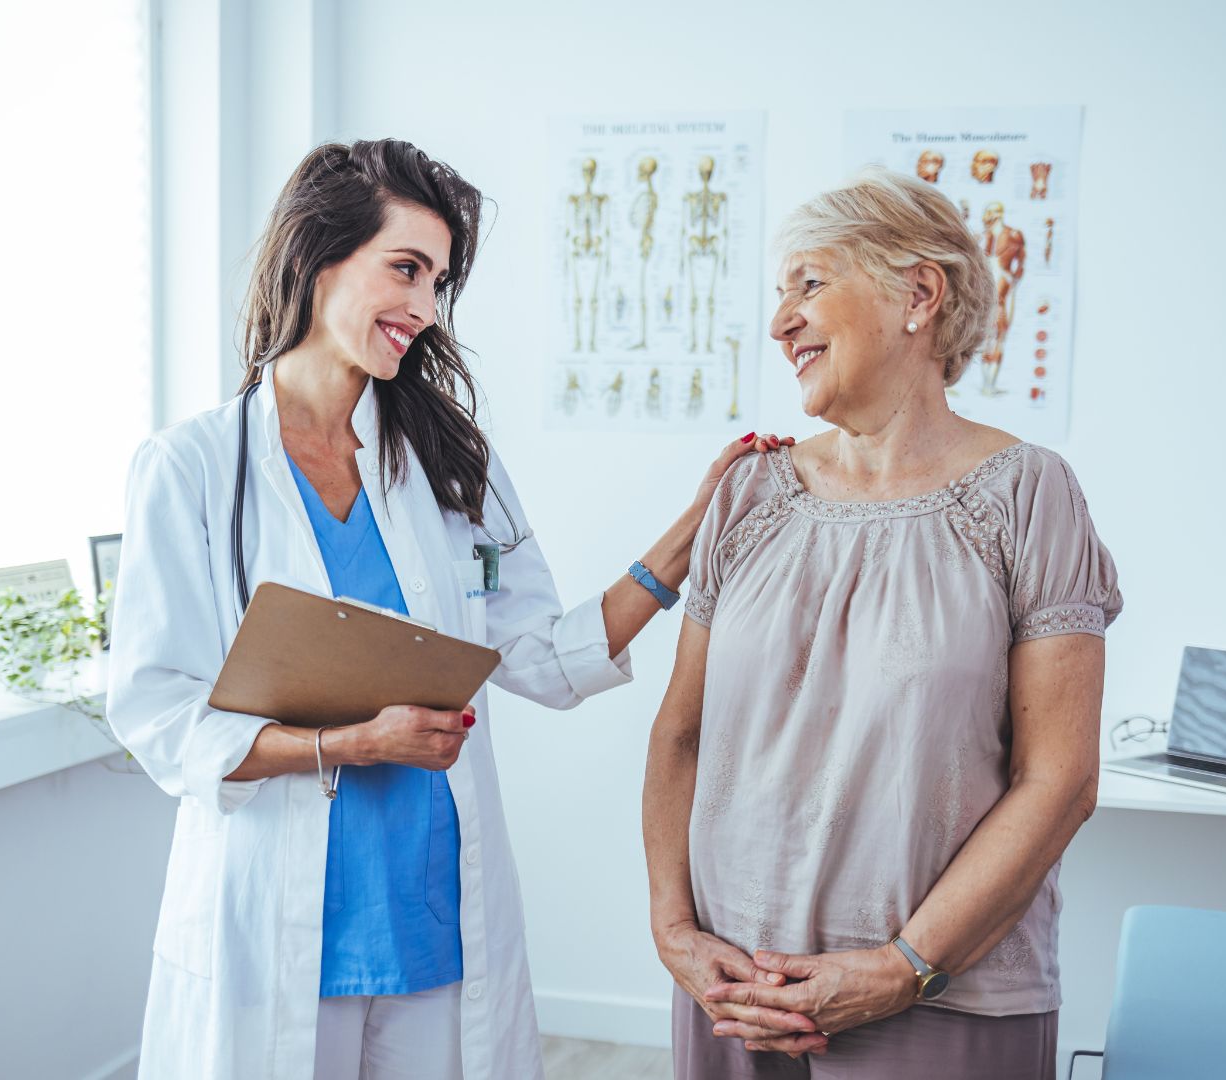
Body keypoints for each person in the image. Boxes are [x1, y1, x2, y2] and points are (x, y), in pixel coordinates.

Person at [107, 138, 788, 1080]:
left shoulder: (445, 460)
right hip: (272, 920)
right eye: (407, 270)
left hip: (433, 918)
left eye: (440, 282)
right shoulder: (191, 470)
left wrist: (693, 530)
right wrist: (350, 744)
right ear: (317, 255)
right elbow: (158, 713)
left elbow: (543, 657)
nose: (427, 311)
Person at [642, 166, 1122, 1079]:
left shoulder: (1029, 494)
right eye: (780, 295)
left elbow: (1058, 780)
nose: (782, 321)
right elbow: (680, 734)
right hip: (732, 993)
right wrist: (675, 931)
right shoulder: (749, 490)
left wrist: (903, 967)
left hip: (945, 994)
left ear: (920, 293)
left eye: (810, 284)